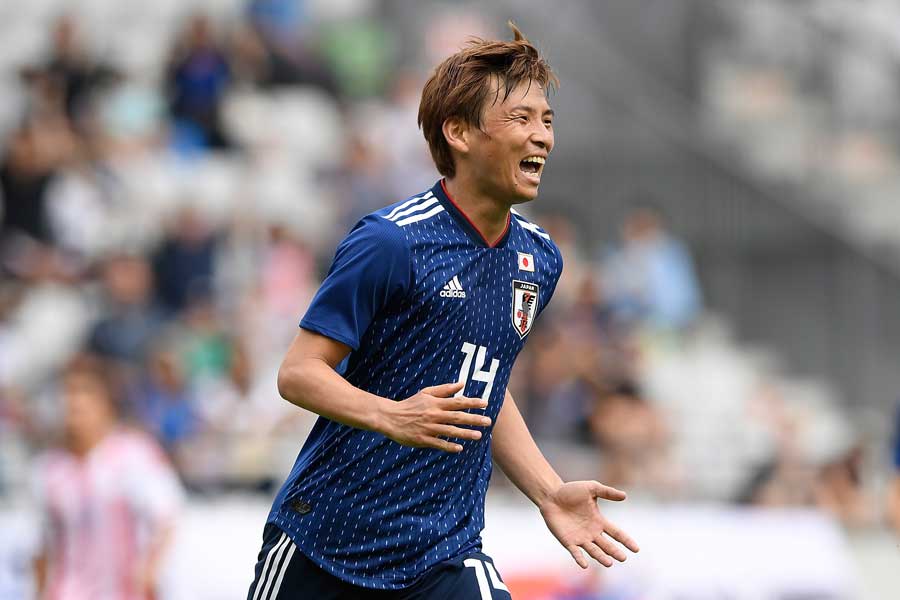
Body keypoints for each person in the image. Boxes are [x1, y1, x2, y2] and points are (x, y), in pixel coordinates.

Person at [247, 23, 640, 600]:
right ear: (458, 131)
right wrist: (391, 415)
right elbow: (298, 372)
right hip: (324, 545)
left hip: (442, 554)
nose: (542, 137)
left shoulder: (540, 259)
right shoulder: (390, 243)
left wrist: (548, 491)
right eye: (522, 119)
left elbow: (486, 382)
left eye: (547, 120)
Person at [31, 355, 183, 600]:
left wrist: (149, 575)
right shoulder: (49, 467)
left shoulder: (135, 455)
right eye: (69, 393)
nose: (74, 403)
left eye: (84, 393)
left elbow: (167, 521)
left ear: (106, 402)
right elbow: (42, 546)